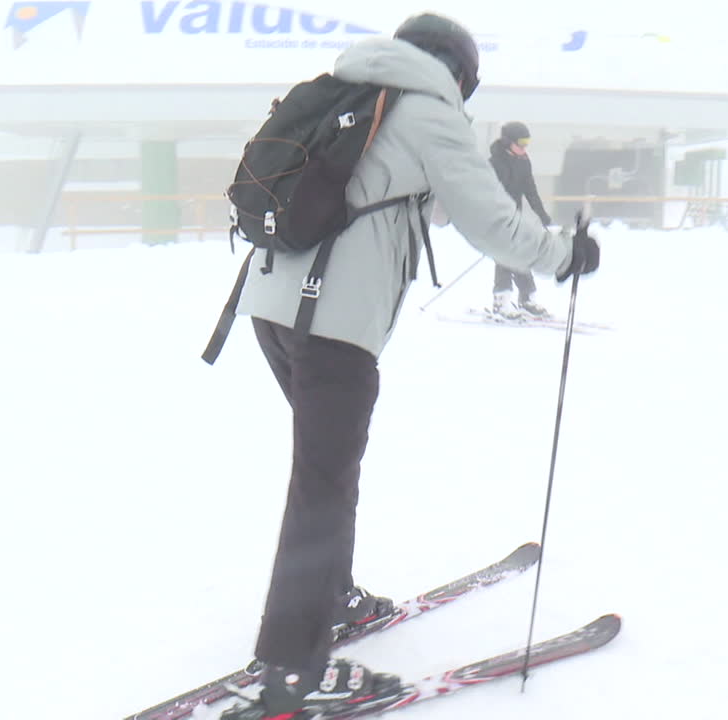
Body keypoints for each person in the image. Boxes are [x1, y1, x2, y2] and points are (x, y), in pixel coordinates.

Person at [232, 12, 600, 719]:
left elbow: (395, 202)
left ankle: (328, 600)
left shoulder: (348, 92)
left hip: (272, 310)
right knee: (323, 487)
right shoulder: (428, 112)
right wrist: (563, 255)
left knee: (324, 471)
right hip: (334, 327)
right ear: (458, 73)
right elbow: (489, 220)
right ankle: (292, 672)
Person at [489, 120, 554, 318]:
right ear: (508, 142)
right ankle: (501, 300)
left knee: (521, 255)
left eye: (527, 143)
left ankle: (527, 299)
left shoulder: (523, 161)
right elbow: (487, 193)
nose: (524, 147)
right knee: (504, 256)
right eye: (521, 143)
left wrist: (541, 214)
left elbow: (530, 190)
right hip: (497, 217)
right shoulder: (494, 164)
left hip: (515, 217)